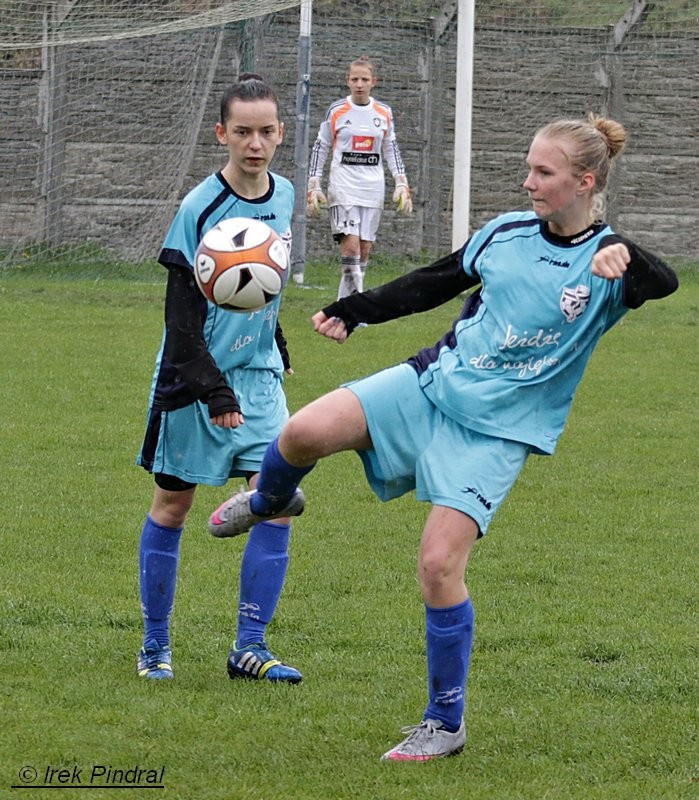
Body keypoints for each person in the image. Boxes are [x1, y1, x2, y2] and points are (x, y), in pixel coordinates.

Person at [207, 113, 678, 759]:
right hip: (433, 384)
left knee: (437, 565)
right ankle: (269, 499)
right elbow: (434, 282)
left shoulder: (609, 264)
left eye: (543, 172)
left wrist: (627, 255)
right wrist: (353, 310)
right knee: (301, 432)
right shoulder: (506, 233)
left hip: (498, 432)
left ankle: (444, 723)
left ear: (584, 182)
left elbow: (664, 282)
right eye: (529, 168)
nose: (528, 182)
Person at [135, 74, 304, 685]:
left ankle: (250, 647)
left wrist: (275, 341)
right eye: (242, 132)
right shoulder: (198, 208)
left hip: (258, 378)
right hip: (192, 379)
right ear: (221, 134)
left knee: (277, 503)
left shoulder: (285, 195)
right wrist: (213, 389)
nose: (255, 144)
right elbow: (180, 320)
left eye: (266, 132)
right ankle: (155, 646)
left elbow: (261, 284)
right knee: (173, 505)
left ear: (280, 133)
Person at [303, 54, 413, 297]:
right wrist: (314, 184)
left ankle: (345, 306)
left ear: (374, 81)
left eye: (364, 79)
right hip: (343, 187)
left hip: (372, 188)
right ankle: (357, 306)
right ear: (347, 81)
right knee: (350, 249)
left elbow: (391, 148)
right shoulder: (337, 110)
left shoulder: (383, 112)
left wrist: (401, 182)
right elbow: (321, 146)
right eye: (355, 79)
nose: (359, 84)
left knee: (364, 250)